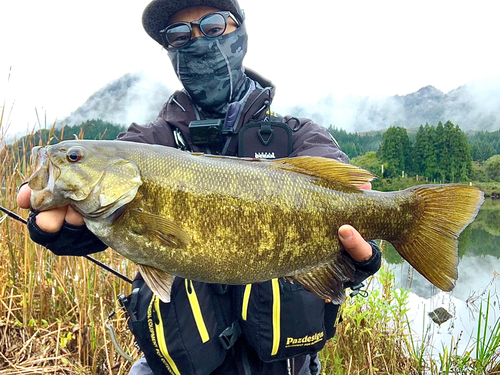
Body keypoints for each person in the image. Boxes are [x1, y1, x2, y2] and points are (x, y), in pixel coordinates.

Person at [17, 0, 382, 374]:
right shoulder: (145, 145)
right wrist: (62, 231)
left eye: (212, 26)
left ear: (239, 31)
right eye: (179, 35)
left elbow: (351, 219)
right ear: (171, 53)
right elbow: (97, 227)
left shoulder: (301, 138)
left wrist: (361, 259)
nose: (197, 41)